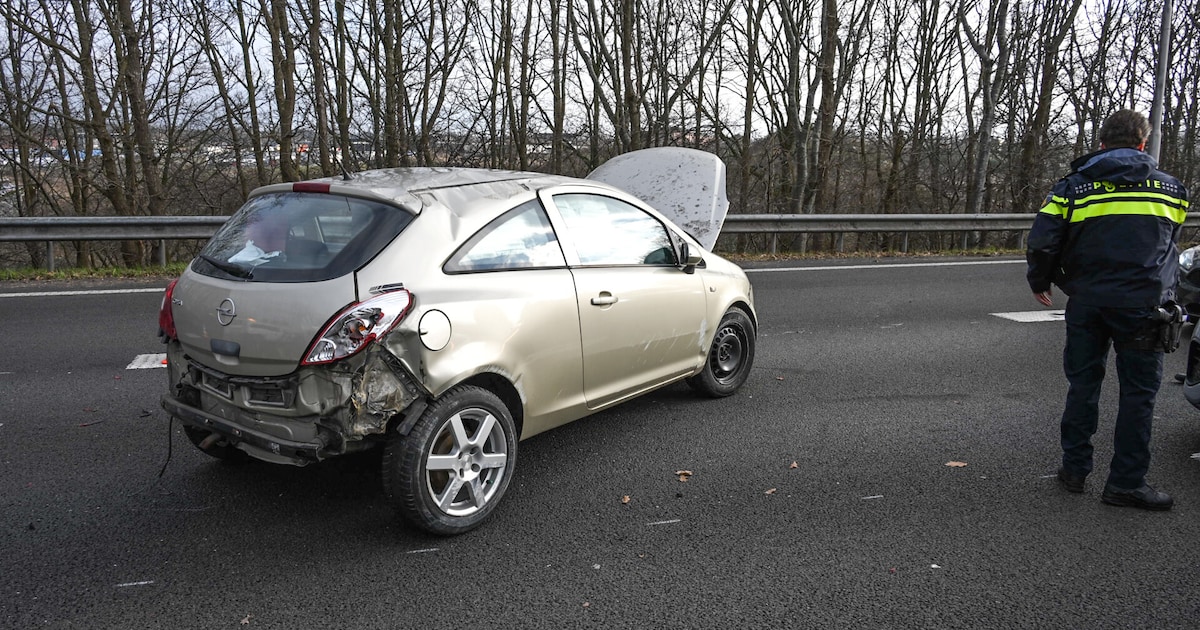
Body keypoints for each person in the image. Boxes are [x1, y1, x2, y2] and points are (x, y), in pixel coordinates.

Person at [1026, 109, 1190, 511]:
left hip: (1088, 301)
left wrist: (1042, 280)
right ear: (1141, 144)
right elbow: (1170, 243)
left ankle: (1074, 470)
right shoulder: (1172, 190)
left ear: (1101, 144)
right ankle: (1126, 483)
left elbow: (1043, 240)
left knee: (1083, 385)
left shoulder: (1072, 188)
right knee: (1138, 395)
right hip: (1144, 305)